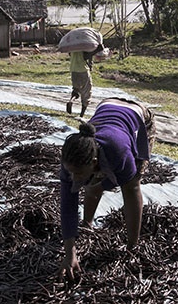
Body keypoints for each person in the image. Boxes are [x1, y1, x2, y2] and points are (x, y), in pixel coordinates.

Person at [58, 97, 156, 281]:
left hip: (137, 114)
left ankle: (133, 244)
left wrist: (131, 247)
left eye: (78, 174)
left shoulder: (118, 151)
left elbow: (129, 187)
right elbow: (67, 205)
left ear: (94, 163)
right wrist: (70, 253)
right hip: (107, 105)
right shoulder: (72, 159)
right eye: (71, 173)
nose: (74, 178)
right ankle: (87, 225)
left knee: (133, 182)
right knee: (91, 186)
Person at [67, 44, 104, 118]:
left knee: (76, 89)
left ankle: (71, 100)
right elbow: (86, 56)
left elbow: (71, 54)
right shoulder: (82, 48)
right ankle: (81, 115)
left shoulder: (72, 48)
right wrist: (98, 49)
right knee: (86, 91)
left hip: (74, 71)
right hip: (83, 71)